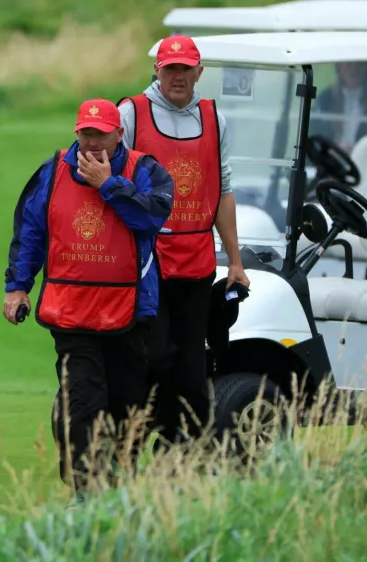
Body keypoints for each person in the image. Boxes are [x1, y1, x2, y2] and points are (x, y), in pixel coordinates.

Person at [3, 98, 174, 499]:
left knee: (126, 405)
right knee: (82, 403)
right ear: (77, 133)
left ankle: (121, 481)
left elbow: (152, 216)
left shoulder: (146, 171)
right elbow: (30, 230)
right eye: (86, 134)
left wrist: (108, 185)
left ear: (119, 135)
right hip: (71, 312)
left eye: (101, 134)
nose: (92, 142)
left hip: (128, 312)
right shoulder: (53, 171)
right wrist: (17, 285)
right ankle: (87, 492)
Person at [118, 34, 250, 447]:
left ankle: (179, 457)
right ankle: (132, 441)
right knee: (154, 357)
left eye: (185, 69)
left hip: (196, 263)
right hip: (147, 263)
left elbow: (222, 191)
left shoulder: (215, 119)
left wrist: (235, 261)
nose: (177, 76)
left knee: (193, 370)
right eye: (169, 68)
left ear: (199, 72)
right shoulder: (131, 114)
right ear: (157, 70)